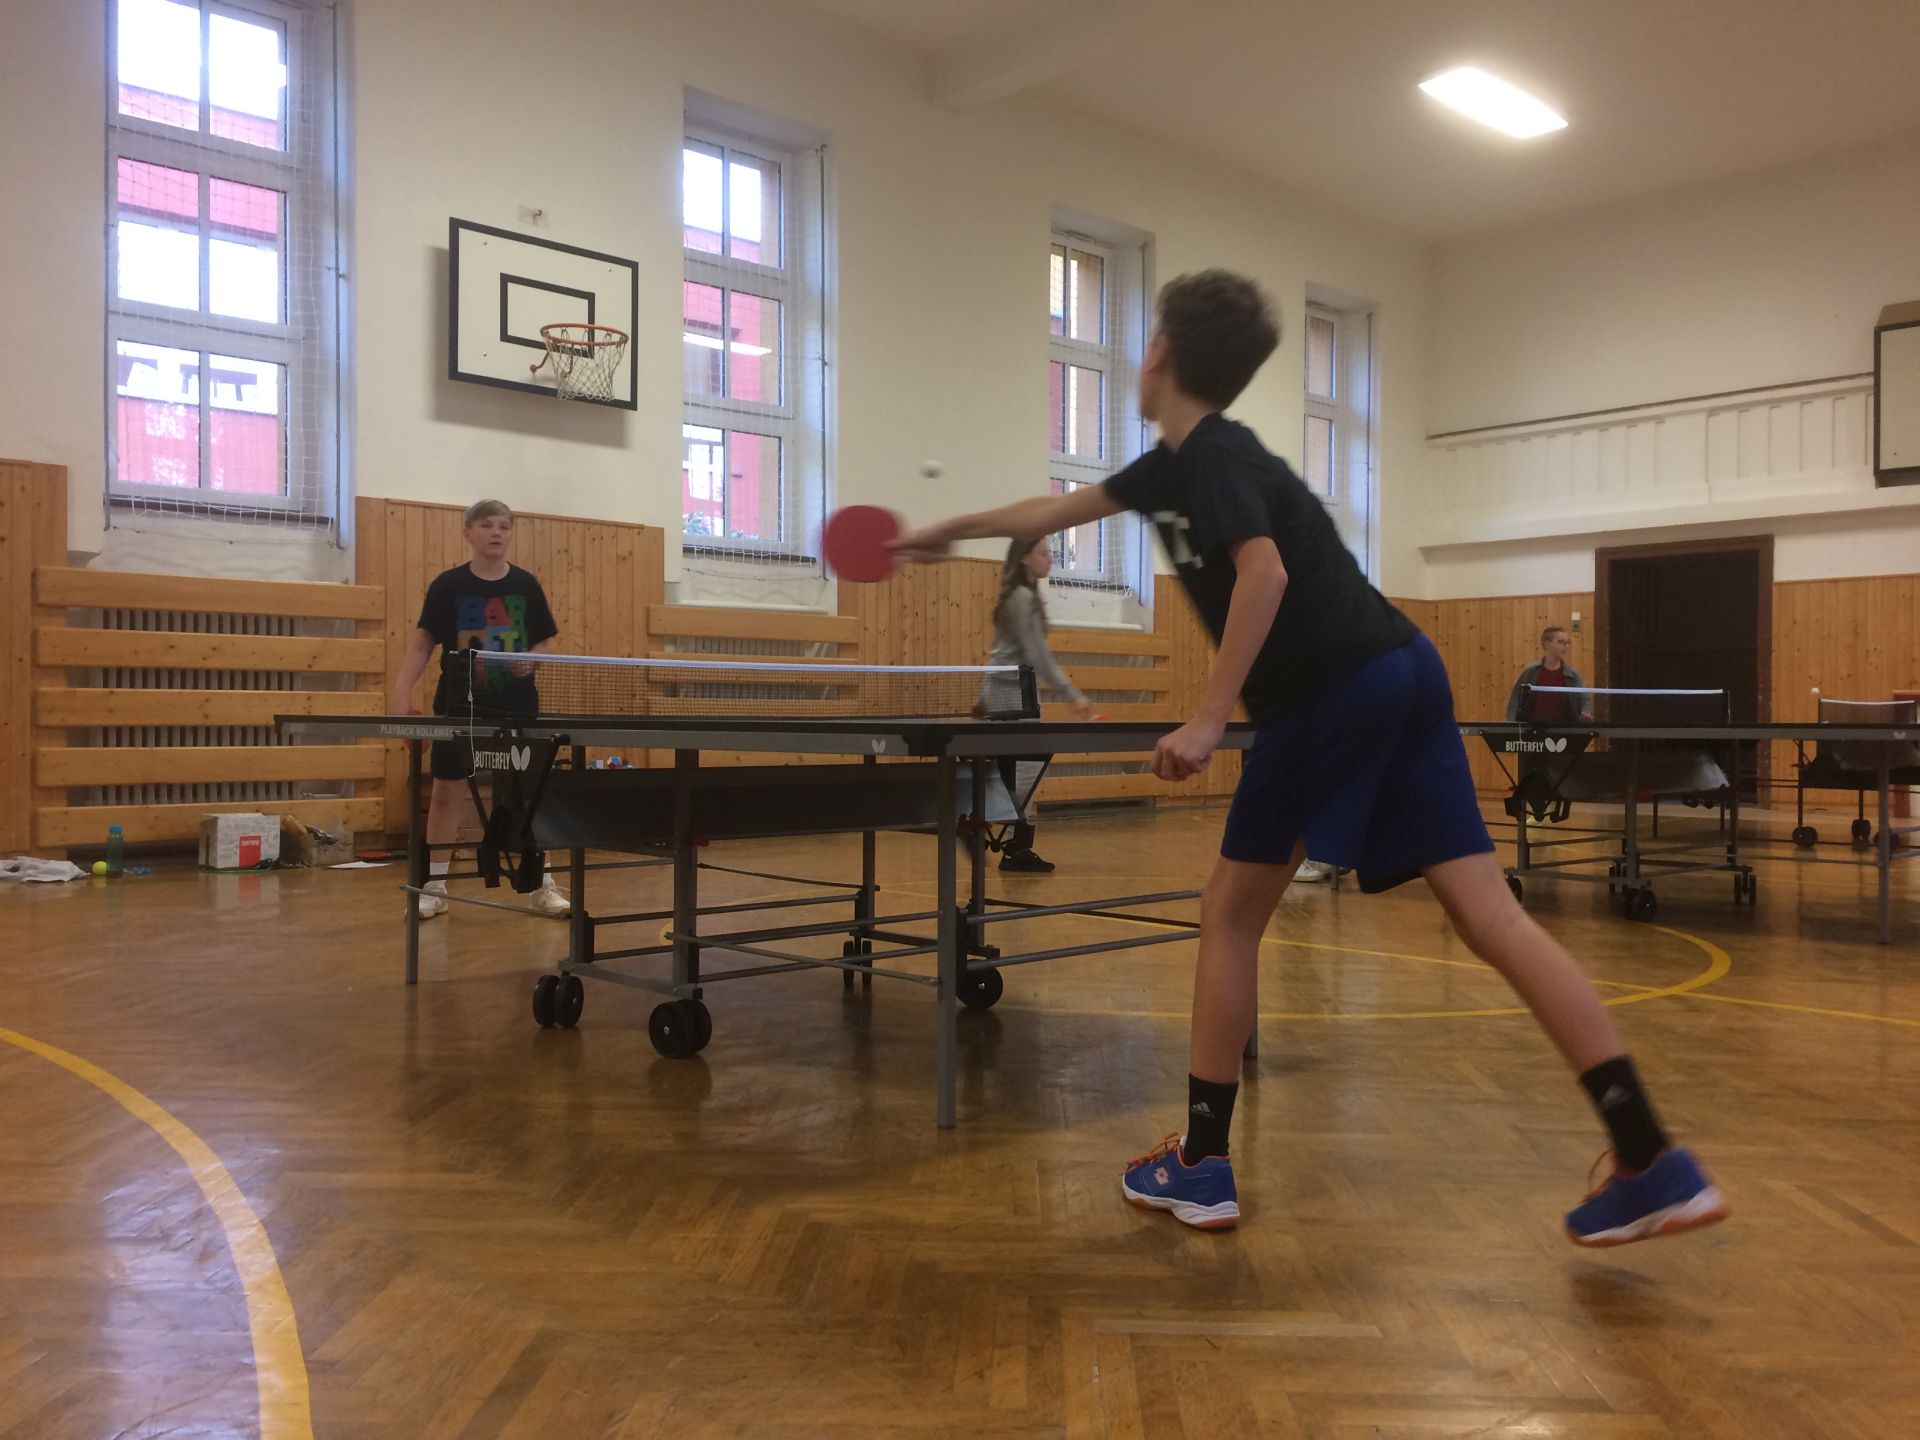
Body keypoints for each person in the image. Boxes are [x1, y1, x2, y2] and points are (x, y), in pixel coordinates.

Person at [894, 270, 1725, 1246]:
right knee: (1492, 917)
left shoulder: (1211, 456)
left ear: (1158, 355)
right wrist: (947, 533)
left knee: (1230, 915)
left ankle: (1202, 1164)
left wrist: (1209, 718)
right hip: (1405, 668)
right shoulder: (1170, 468)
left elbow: (1265, 571)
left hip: (1328, 689)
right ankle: (1650, 1157)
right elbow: (1046, 513)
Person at [388, 499, 570, 919]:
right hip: (459, 705)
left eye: (504, 526)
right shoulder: (447, 586)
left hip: (517, 706)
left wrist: (534, 659)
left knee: (529, 794)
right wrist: (401, 691)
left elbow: (544, 640)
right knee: (446, 792)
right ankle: (434, 887)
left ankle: (542, 885)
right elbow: (422, 644)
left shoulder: (525, 585)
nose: (496, 532)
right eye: (487, 525)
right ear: (468, 533)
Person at [985, 537, 1095, 873]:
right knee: (1024, 771)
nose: (1051, 558)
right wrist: (1071, 693)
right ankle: (977, 821)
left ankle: (1014, 847)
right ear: (1023, 558)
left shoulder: (1024, 595)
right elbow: (1037, 654)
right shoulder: (1022, 597)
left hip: (1013, 691)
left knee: (1020, 770)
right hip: (1012, 693)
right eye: (1044, 553)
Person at [1507, 627, 1595, 725]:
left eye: (1567, 643)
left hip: (1564, 729)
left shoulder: (1573, 675)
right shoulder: (1530, 672)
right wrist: (1511, 725)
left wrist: (1585, 712)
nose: (1565, 646)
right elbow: (1515, 700)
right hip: (1533, 728)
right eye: (1560, 642)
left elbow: (1584, 699)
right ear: (1546, 644)